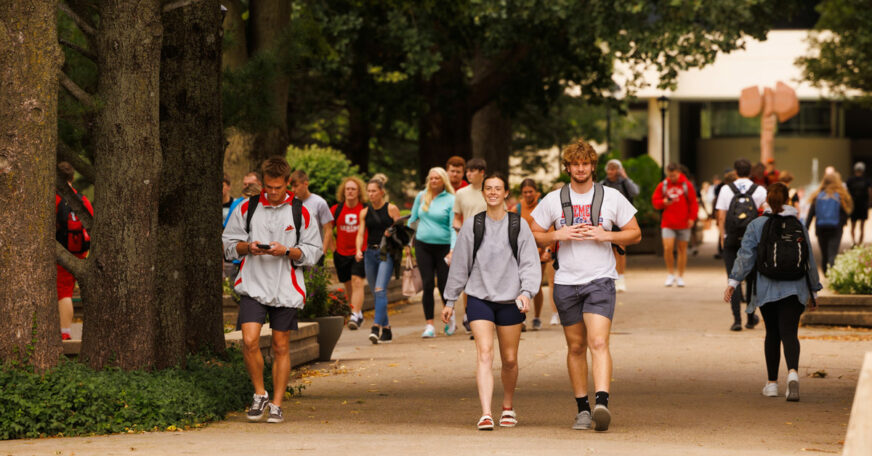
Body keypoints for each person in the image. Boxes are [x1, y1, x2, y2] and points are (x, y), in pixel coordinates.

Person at [529, 139, 641, 432]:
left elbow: (635, 233)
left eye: (585, 163)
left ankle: (602, 403)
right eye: (575, 164)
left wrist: (608, 236)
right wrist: (558, 234)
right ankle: (582, 408)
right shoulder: (554, 199)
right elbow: (534, 233)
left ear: (593, 166)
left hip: (600, 280)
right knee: (576, 346)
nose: (580, 169)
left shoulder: (611, 197)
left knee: (599, 341)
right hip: (566, 282)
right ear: (567, 167)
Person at [222, 156, 322, 424]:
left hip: (286, 287)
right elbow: (229, 243)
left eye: (278, 187)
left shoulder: (301, 212)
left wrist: (287, 250)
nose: (273, 192)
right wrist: (248, 247)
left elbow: (313, 252)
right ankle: (259, 393)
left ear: (288, 183)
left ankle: (277, 403)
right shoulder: (248, 207)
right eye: (268, 187)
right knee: (250, 340)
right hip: (253, 284)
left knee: (280, 346)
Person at [442, 172, 541, 430]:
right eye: (489, 188)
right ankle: (485, 412)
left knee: (509, 359)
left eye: (499, 188)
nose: (494, 192)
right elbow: (460, 265)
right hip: (479, 297)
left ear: (506, 193)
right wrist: (450, 300)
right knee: (484, 353)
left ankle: (507, 407)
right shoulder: (472, 225)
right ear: (483, 193)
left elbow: (530, 263)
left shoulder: (519, 225)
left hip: (511, 299)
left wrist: (527, 292)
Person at [724, 182, 822, 402]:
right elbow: (809, 260)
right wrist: (814, 290)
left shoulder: (757, 224)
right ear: (788, 199)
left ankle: (771, 384)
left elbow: (745, 256)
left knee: (772, 334)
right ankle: (793, 373)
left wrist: (733, 281)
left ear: (767, 200)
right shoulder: (798, 223)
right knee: (790, 333)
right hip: (795, 287)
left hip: (766, 287)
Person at [716, 158, 768, 331]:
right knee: (752, 278)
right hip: (752, 240)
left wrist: (722, 235)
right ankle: (750, 317)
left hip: (731, 238)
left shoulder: (726, 189)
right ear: (750, 171)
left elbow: (722, 215)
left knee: (733, 277)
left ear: (735, 172)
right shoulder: (759, 190)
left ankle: (736, 320)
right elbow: (767, 212)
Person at [408, 167, 456, 338]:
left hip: (443, 247)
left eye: (437, 178)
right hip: (423, 245)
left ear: (443, 180)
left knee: (444, 286)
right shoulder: (421, 196)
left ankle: (449, 316)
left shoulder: (451, 199)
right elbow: (412, 220)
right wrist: (410, 239)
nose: (434, 181)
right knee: (427, 284)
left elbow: (453, 226)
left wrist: (452, 249)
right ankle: (429, 325)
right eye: (431, 178)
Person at [356, 175, 402, 343]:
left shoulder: (391, 209)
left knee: (379, 290)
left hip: (386, 253)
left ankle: (375, 327)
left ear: (382, 192)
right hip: (370, 253)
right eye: (368, 191)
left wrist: (392, 232)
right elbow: (360, 233)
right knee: (377, 294)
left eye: (374, 191)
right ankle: (387, 329)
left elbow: (402, 230)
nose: (371, 194)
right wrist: (358, 250)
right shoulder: (364, 211)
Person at [55, 162, 94, 341]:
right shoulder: (82, 199)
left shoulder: (55, 198)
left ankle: (64, 332)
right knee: (66, 290)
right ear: (71, 178)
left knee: (62, 291)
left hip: (61, 250)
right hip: (78, 251)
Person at [514, 179, 555, 330]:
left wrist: (548, 250)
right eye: (525, 192)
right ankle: (521, 318)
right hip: (522, 251)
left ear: (536, 192)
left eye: (530, 191)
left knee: (535, 286)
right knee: (519, 285)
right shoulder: (518, 207)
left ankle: (537, 317)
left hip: (539, 251)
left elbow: (550, 228)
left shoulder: (543, 206)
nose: (528, 195)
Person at [452, 158, 487, 334]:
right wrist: (458, 229)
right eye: (468, 171)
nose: (469, 174)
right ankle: (469, 313)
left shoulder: (489, 190)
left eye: (472, 171)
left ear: (482, 173)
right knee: (470, 280)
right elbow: (456, 217)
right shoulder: (461, 193)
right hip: (468, 241)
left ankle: (487, 312)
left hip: (490, 241)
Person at [651, 163, 698, 287]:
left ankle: (680, 276)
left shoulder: (686, 185)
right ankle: (670, 273)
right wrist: (663, 202)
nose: (672, 178)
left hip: (684, 222)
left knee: (682, 250)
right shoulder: (664, 185)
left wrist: (692, 218)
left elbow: (693, 203)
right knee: (668, 248)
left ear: (679, 172)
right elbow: (655, 201)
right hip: (668, 222)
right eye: (670, 175)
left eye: (674, 175)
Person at [330, 176, 368, 330]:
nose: (350, 191)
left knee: (357, 281)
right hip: (341, 253)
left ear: (358, 192)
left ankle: (354, 315)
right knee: (348, 285)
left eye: (353, 189)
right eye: (348, 189)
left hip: (360, 252)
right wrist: (333, 249)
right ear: (343, 192)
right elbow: (327, 230)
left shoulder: (364, 209)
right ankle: (357, 312)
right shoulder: (336, 209)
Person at [599, 159, 639, 292]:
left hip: (621, 220)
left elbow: (635, 192)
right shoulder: (603, 184)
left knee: (620, 249)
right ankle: (611, 277)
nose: (611, 171)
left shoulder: (624, 183)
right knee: (608, 249)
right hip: (608, 219)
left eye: (614, 169)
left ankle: (621, 278)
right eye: (609, 169)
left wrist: (626, 177)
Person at [806, 172, 853, 273]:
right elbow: (846, 212)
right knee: (832, 253)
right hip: (835, 228)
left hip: (820, 228)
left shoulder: (818, 196)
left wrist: (806, 227)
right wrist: (842, 224)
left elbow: (811, 213)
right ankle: (832, 277)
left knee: (824, 254)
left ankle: (825, 273)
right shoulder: (841, 195)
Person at [290, 170, 334, 264]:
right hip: (296, 252)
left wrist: (323, 253)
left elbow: (328, 229)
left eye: (296, 186)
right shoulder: (291, 203)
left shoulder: (319, 203)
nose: (293, 189)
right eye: (291, 186)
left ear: (305, 184)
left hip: (314, 252)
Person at [846, 162, 872, 246]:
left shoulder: (850, 180)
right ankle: (860, 243)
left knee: (853, 225)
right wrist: (869, 202)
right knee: (862, 226)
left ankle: (854, 242)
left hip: (854, 205)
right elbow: (870, 192)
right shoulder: (866, 180)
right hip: (863, 205)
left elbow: (846, 192)